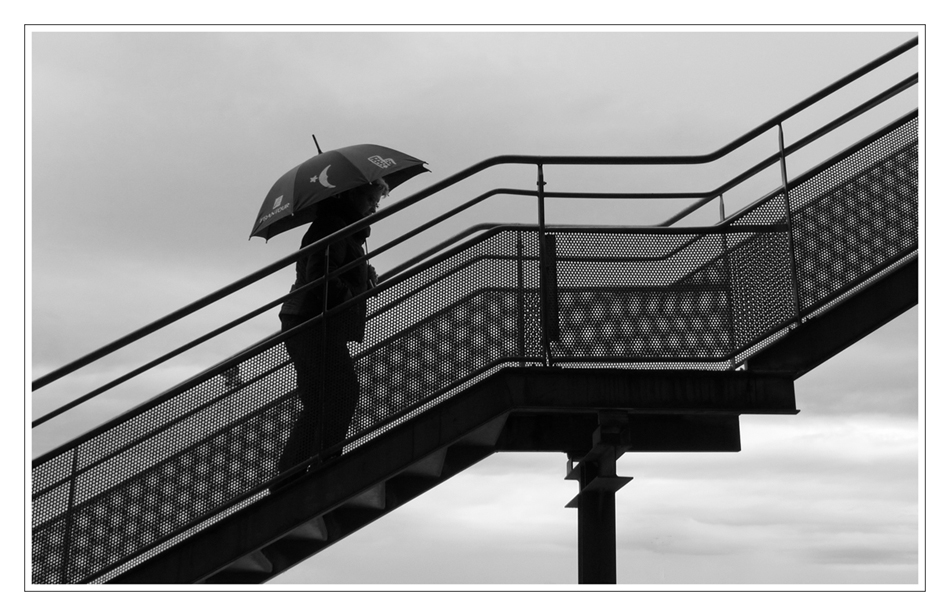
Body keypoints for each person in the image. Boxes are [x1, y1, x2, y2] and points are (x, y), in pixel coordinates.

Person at [274, 178, 386, 487]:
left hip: (307, 321)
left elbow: (334, 270)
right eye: (370, 200)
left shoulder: (342, 229)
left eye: (377, 202)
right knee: (342, 392)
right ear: (352, 196)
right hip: (311, 322)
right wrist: (354, 295)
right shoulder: (333, 227)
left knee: (321, 399)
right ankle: (322, 467)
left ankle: (293, 475)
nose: (374, 208)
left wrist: (364, 276)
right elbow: (319, 277)